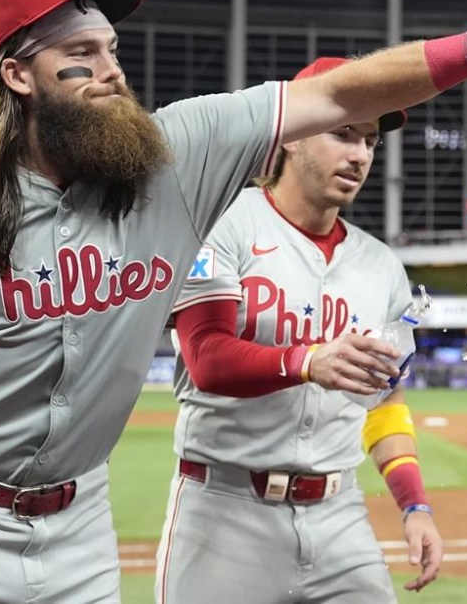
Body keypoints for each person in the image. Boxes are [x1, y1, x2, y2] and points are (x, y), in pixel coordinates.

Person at [0, 0, 467, 603]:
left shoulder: (176, 156)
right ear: (17, 75)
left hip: (84, 524)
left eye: (113, 51)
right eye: (81, 55)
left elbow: (338, 94)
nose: (111, 70)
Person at [156, 56, 442, 604]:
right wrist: (308, 360)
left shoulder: (382, 266)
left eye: (370, 141)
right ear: (291, 137)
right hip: (224, 512)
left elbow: (384, 398)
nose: (360, 154)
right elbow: (206, 358)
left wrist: (415, 506)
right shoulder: (223, 223)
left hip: (340, 516)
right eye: (343, 133)